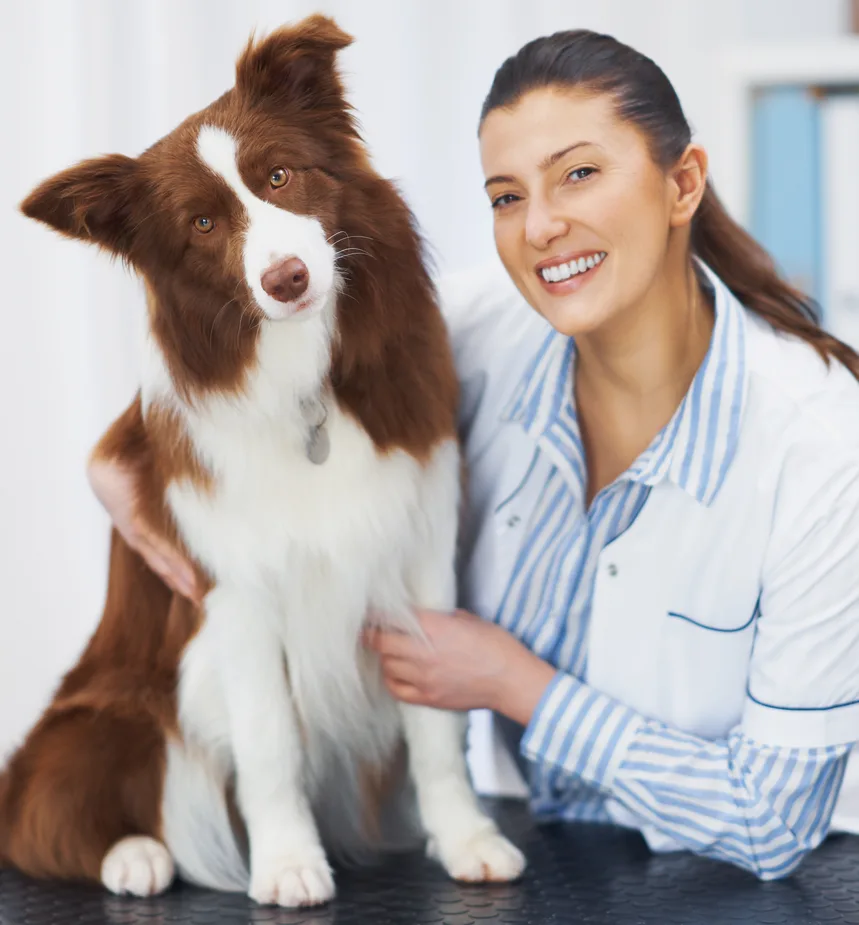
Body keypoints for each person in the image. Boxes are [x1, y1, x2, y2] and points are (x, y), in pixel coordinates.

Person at [89, 30, 859, 880]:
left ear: (681, 184)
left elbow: (771, 824)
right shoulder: (480, 327)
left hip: (761, 880)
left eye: (579, 174)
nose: (541, 227)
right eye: (504, 195)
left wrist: (516, 685)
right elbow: (233, 379)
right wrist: (114, 468)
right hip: (544, 852)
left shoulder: (822, 449)